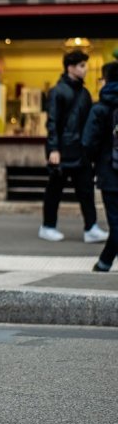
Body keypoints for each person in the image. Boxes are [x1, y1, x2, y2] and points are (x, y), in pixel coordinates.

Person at [39, 50, 109, 243]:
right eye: (81, 65)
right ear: (70, 67)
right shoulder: (58, 91)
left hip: (80, 150)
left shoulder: (84, 93)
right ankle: (48, 226)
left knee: (86, 189)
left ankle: (91, 227)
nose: (85, 69)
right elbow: (52, 122)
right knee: (54, 190)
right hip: (62, 150)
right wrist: (54, 149)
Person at [83, 61, 118, 272]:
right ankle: (105, 261)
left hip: (109, 172)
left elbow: (88, 143)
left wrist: (97, 160)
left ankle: (105, 261)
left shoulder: (99, 108)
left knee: (115, 221)